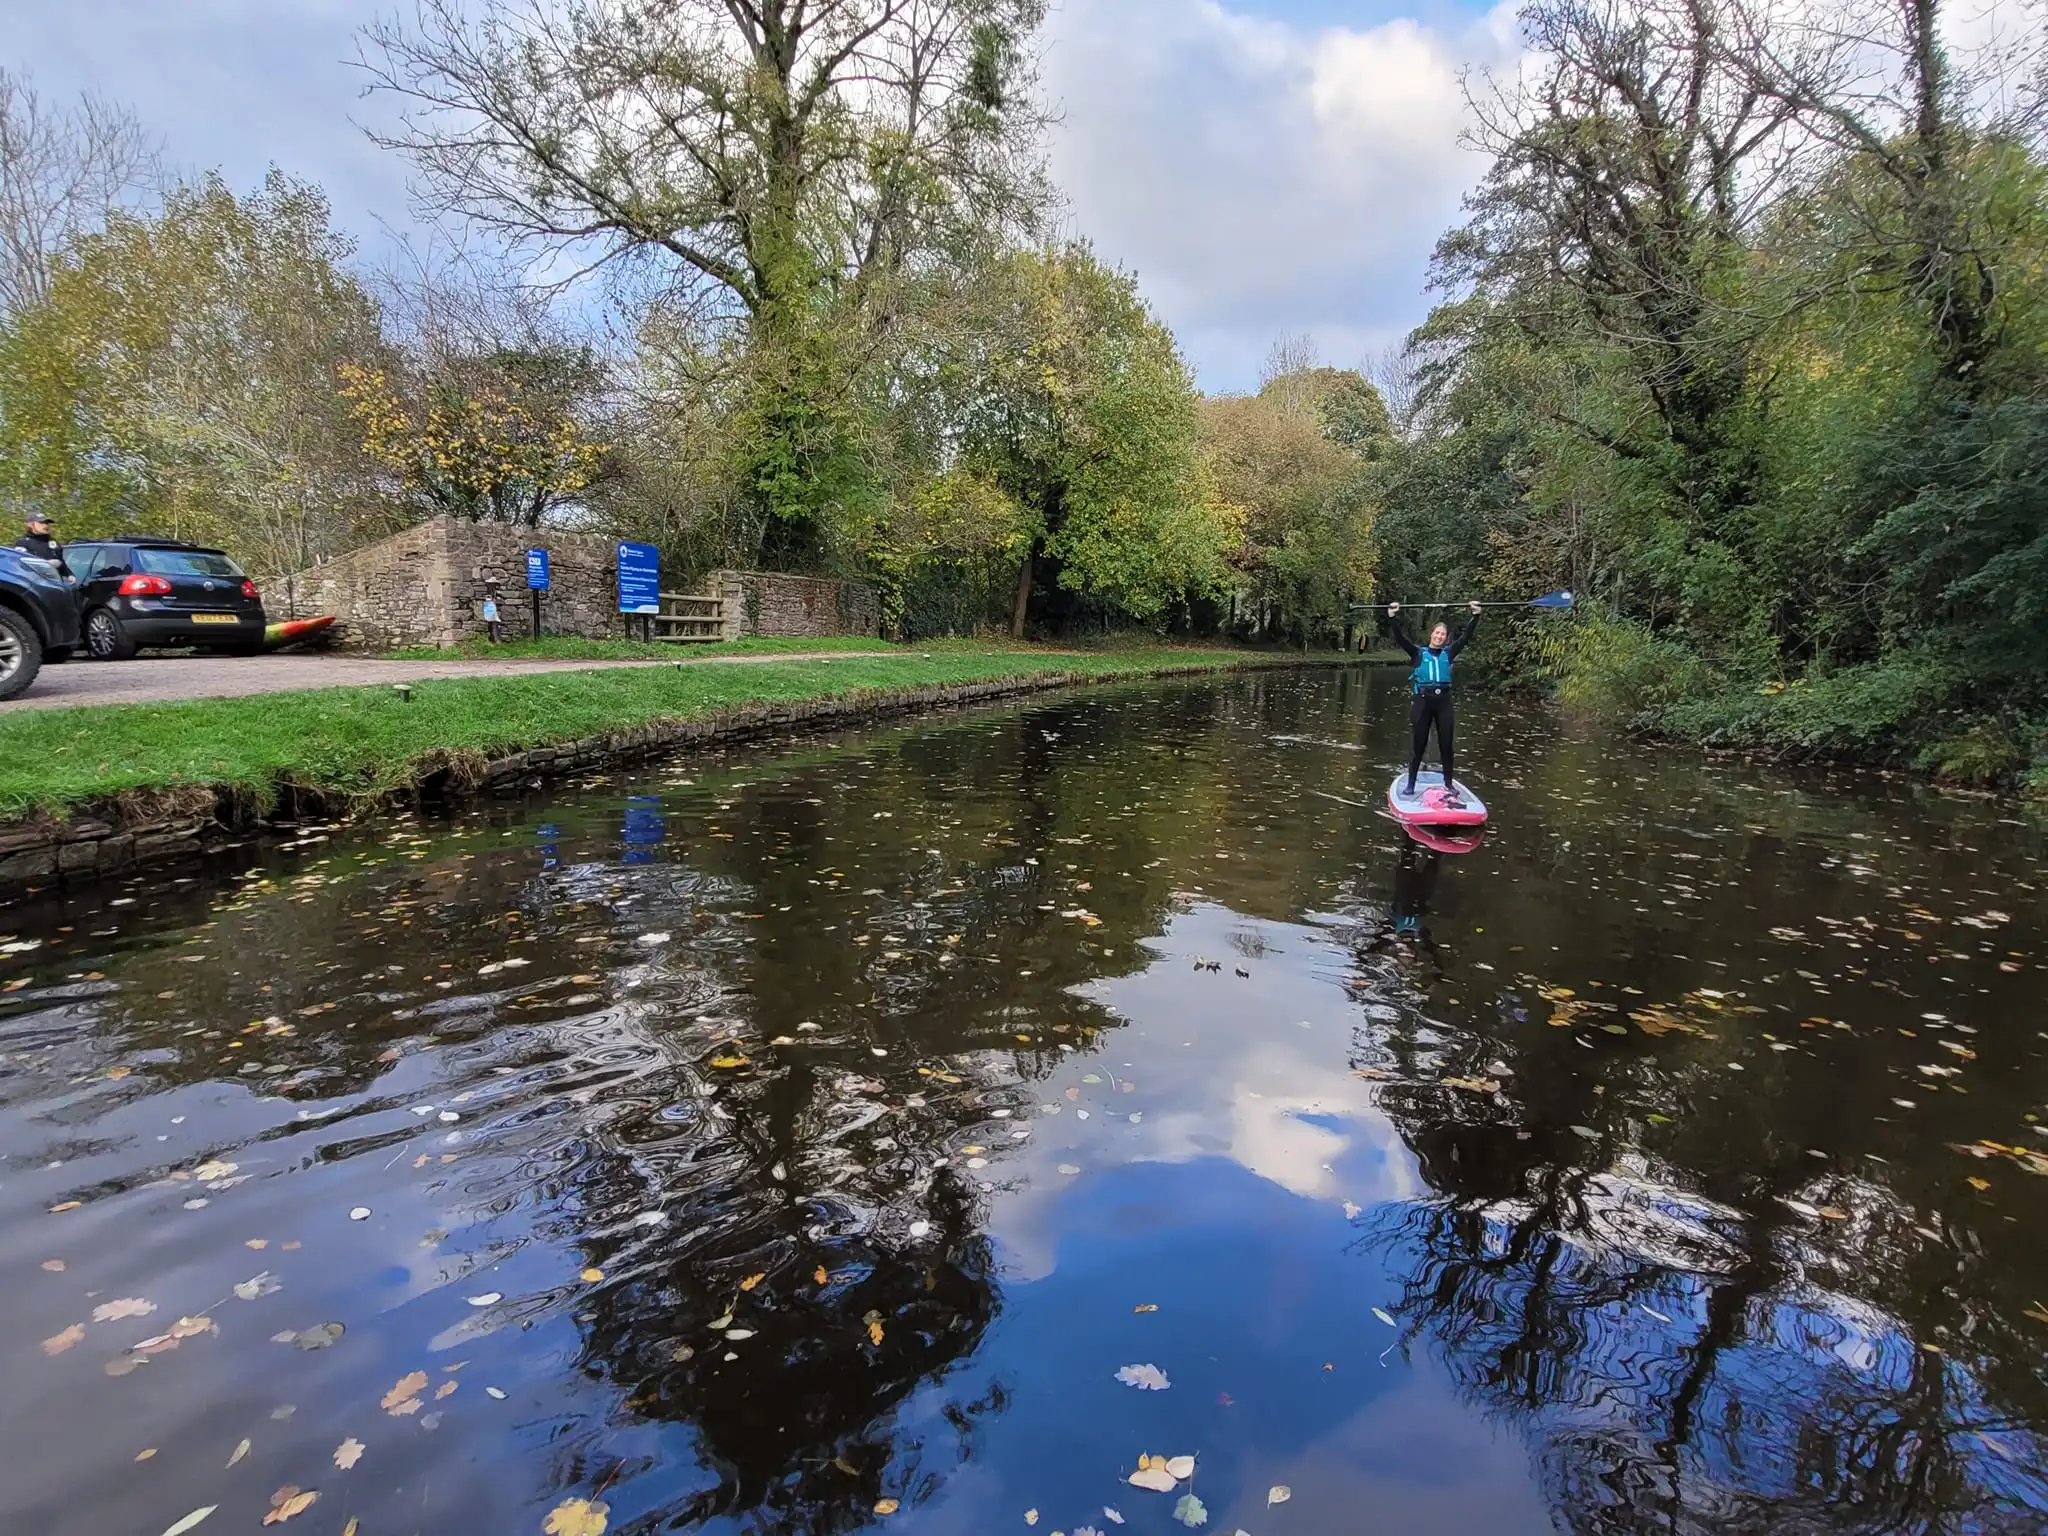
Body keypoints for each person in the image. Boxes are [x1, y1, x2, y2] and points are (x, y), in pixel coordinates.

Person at [1389, 599, 1481, 804]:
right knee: (1418, 744)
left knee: (1446, 744)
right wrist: (1393, 617)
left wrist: (1475, 615)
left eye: (1443, 635)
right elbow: (1400, 638)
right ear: (1431, 634)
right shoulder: (1417, 653)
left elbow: (1466, 638)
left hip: (1444, 703)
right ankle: (1411, 783)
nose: (1439, 637)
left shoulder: (1449, 653)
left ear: (1446, 639)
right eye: (1436, 633)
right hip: (1422, 702)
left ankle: (1448, 783)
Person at [13, 511, 68, 575]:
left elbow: (61, 560)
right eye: (41, 522)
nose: (45, 525)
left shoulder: (52, 541)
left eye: (47, 523)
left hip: (56, 582)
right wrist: (45, 564)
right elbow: (21, 564)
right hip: (34, 581)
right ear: (30, 524)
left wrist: (69, 575)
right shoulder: (23, 542)